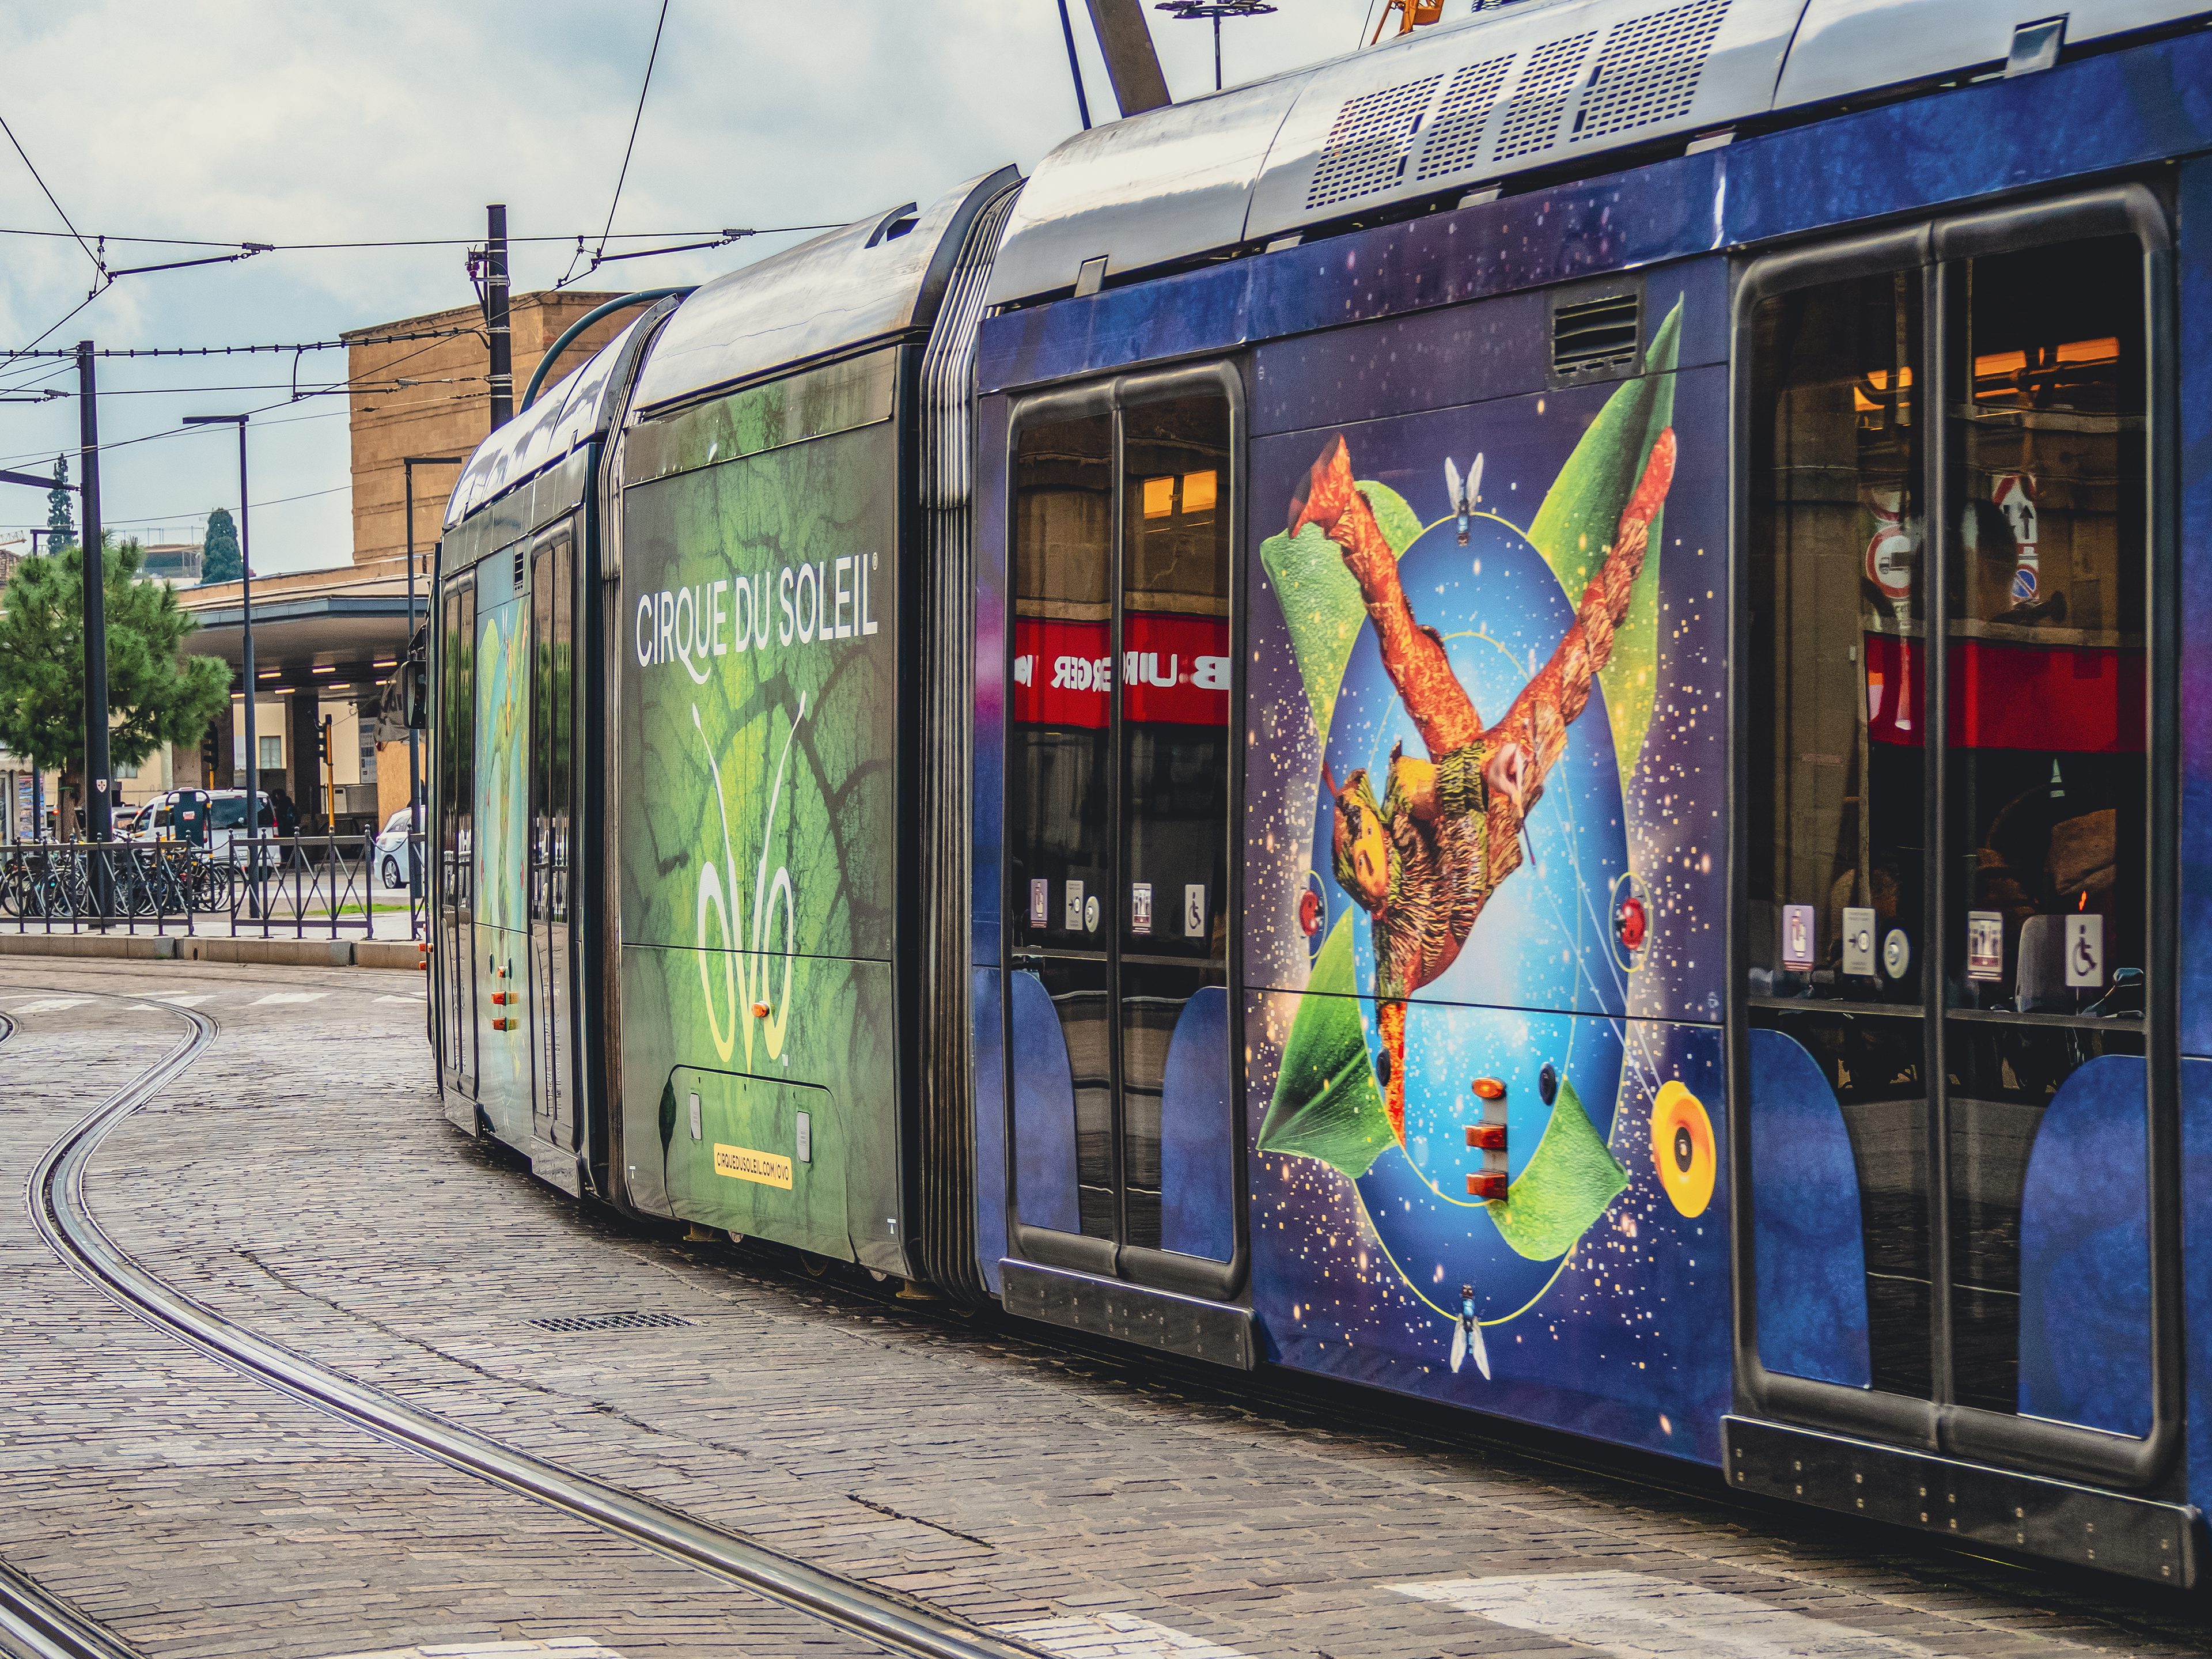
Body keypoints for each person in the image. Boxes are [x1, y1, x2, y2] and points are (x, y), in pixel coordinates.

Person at [1288, 429, 1675, 1140]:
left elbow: (1433, 790)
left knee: (1414, 664)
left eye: (1369, 848)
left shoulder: (1403, 800)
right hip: (1482, 843)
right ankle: (1637, 526)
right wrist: (1396, 1111)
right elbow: (1392, 1040)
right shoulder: (1392, 951)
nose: (1373, 872)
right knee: (1562, 680)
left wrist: (1486, 770)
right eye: (1364, 869)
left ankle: (1345, 512)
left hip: (1476, 804)